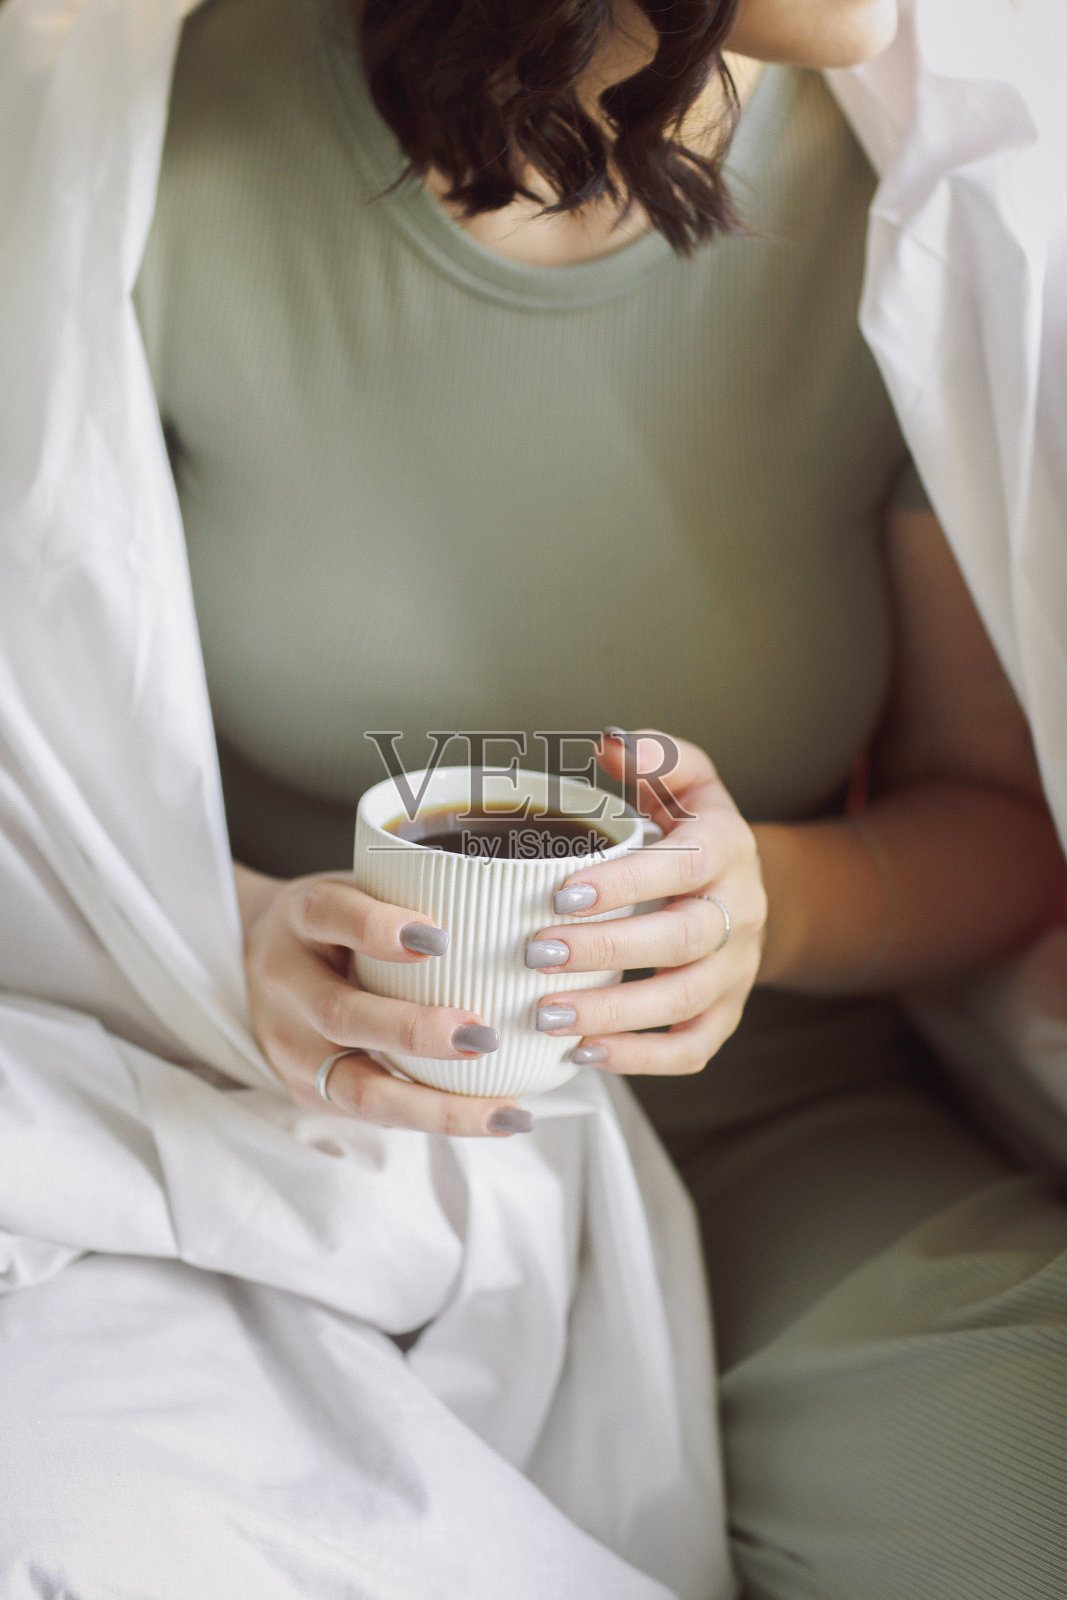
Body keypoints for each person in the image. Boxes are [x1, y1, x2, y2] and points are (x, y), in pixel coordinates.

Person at [4, 0, 1067, 1595]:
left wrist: (761, 910)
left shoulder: (949, 198)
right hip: (261, 1133)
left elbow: (998, 824)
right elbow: (34, 799)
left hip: (780, 1148)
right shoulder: (130, 145)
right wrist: (231, 946)